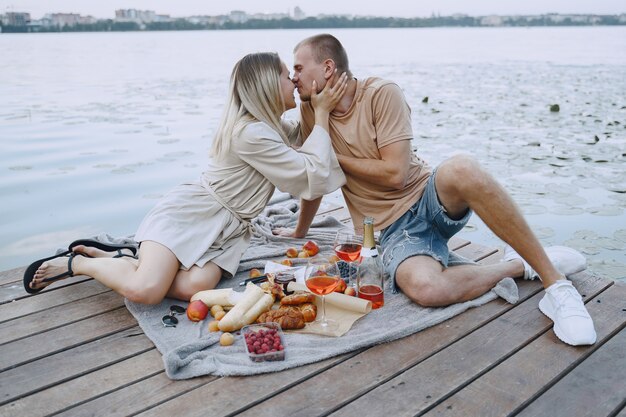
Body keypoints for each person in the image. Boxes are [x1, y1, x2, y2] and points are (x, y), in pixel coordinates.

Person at [283, 33, 596, 346]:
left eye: (298, 68)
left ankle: (555, 285)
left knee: (462, 168)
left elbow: (396, 176)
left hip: (427, 197)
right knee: (427, 290)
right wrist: (300, 231)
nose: (293, 78)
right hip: (389, 230)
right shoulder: (313, 112)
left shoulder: (381, 93)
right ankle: (521, 265)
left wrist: (330, 155)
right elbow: (318, 177)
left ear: (327, 68)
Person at [24, 52, 348, 304]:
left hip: (227, 229)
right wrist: (320, 112)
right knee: (147, 292)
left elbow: (309, 146)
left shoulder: (270, 128)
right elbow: (310, 171)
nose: (293, 80)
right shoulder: (251, 133)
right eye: (284, 74)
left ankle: (122, 259)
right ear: (265, 84)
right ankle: (77, 266)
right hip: (192, 215)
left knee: (194, 287)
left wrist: (314, 102)